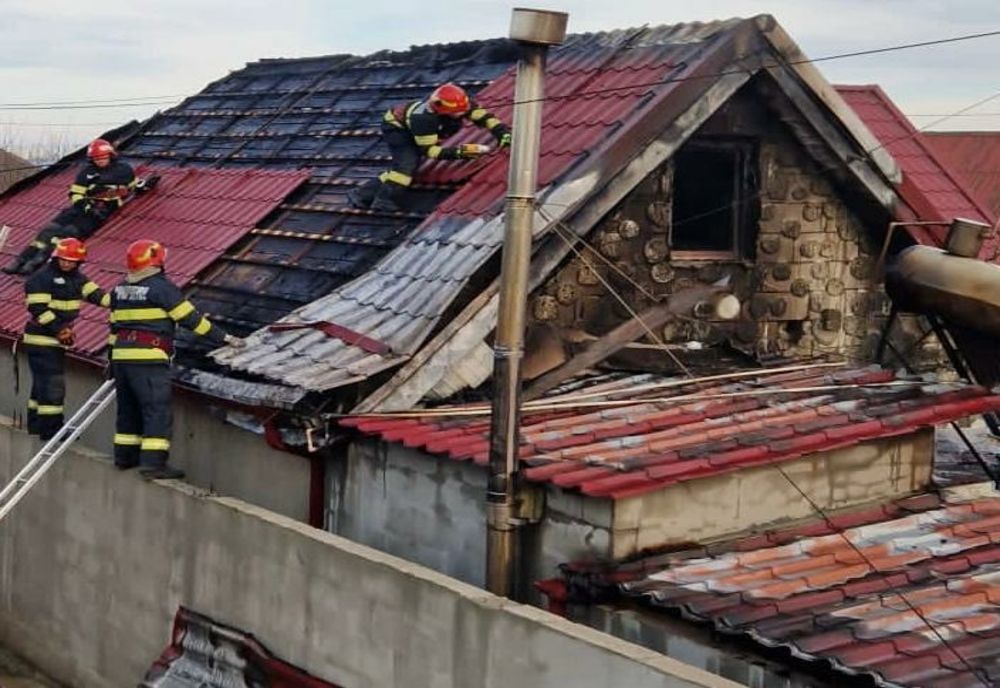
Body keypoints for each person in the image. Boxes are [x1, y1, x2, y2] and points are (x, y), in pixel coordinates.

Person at [108, 239, 245, 480]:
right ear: (157, 261)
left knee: (128, 410)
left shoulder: (119, 288)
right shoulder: (161, 288)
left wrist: (111, 360)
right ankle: (154, 464)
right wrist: (224, 337)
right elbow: (190, 319)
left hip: (121, 357)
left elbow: (114, 326)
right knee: (156, 410)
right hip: (148, 358)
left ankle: (124, 458)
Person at [349, 82, 511, 213]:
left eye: (464, 110)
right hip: (397, 128)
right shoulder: (424, 120)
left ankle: (362, 193)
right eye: (457, 112)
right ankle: (383, 200)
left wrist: (502, 133)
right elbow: (431, 151)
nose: (463, 114)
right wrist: (460, 152)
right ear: (441, 110)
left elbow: (485, 117)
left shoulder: (460, 104)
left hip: (417, 125)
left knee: (405, 166)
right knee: (406, 167)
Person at [3, 138, 137, 275]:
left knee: (67, 234)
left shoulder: (124, 170)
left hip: (100, 211)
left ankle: (35, 263)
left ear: (111, 155)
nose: (100, 161)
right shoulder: (86, 172)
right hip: (80, 207)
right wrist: (85, 205)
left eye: (103, 157)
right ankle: (20, 260)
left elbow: (133, 186)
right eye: (96, 158)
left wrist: (144, 186)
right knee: (48, 231)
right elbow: (75, 193)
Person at [22, 238, 110, 439]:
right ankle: (52, 430)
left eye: (72, 261)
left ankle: (37, 424)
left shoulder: (78, 279)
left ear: (79, 262)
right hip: (41, 339)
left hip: (56, 340)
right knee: (53, 385)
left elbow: (99, 296)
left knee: (42, 384)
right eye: (63, 259)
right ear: (57, 257)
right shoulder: (41, 279)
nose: (67, 263)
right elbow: (37, 309)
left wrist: (122, 300)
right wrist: (60, 329)